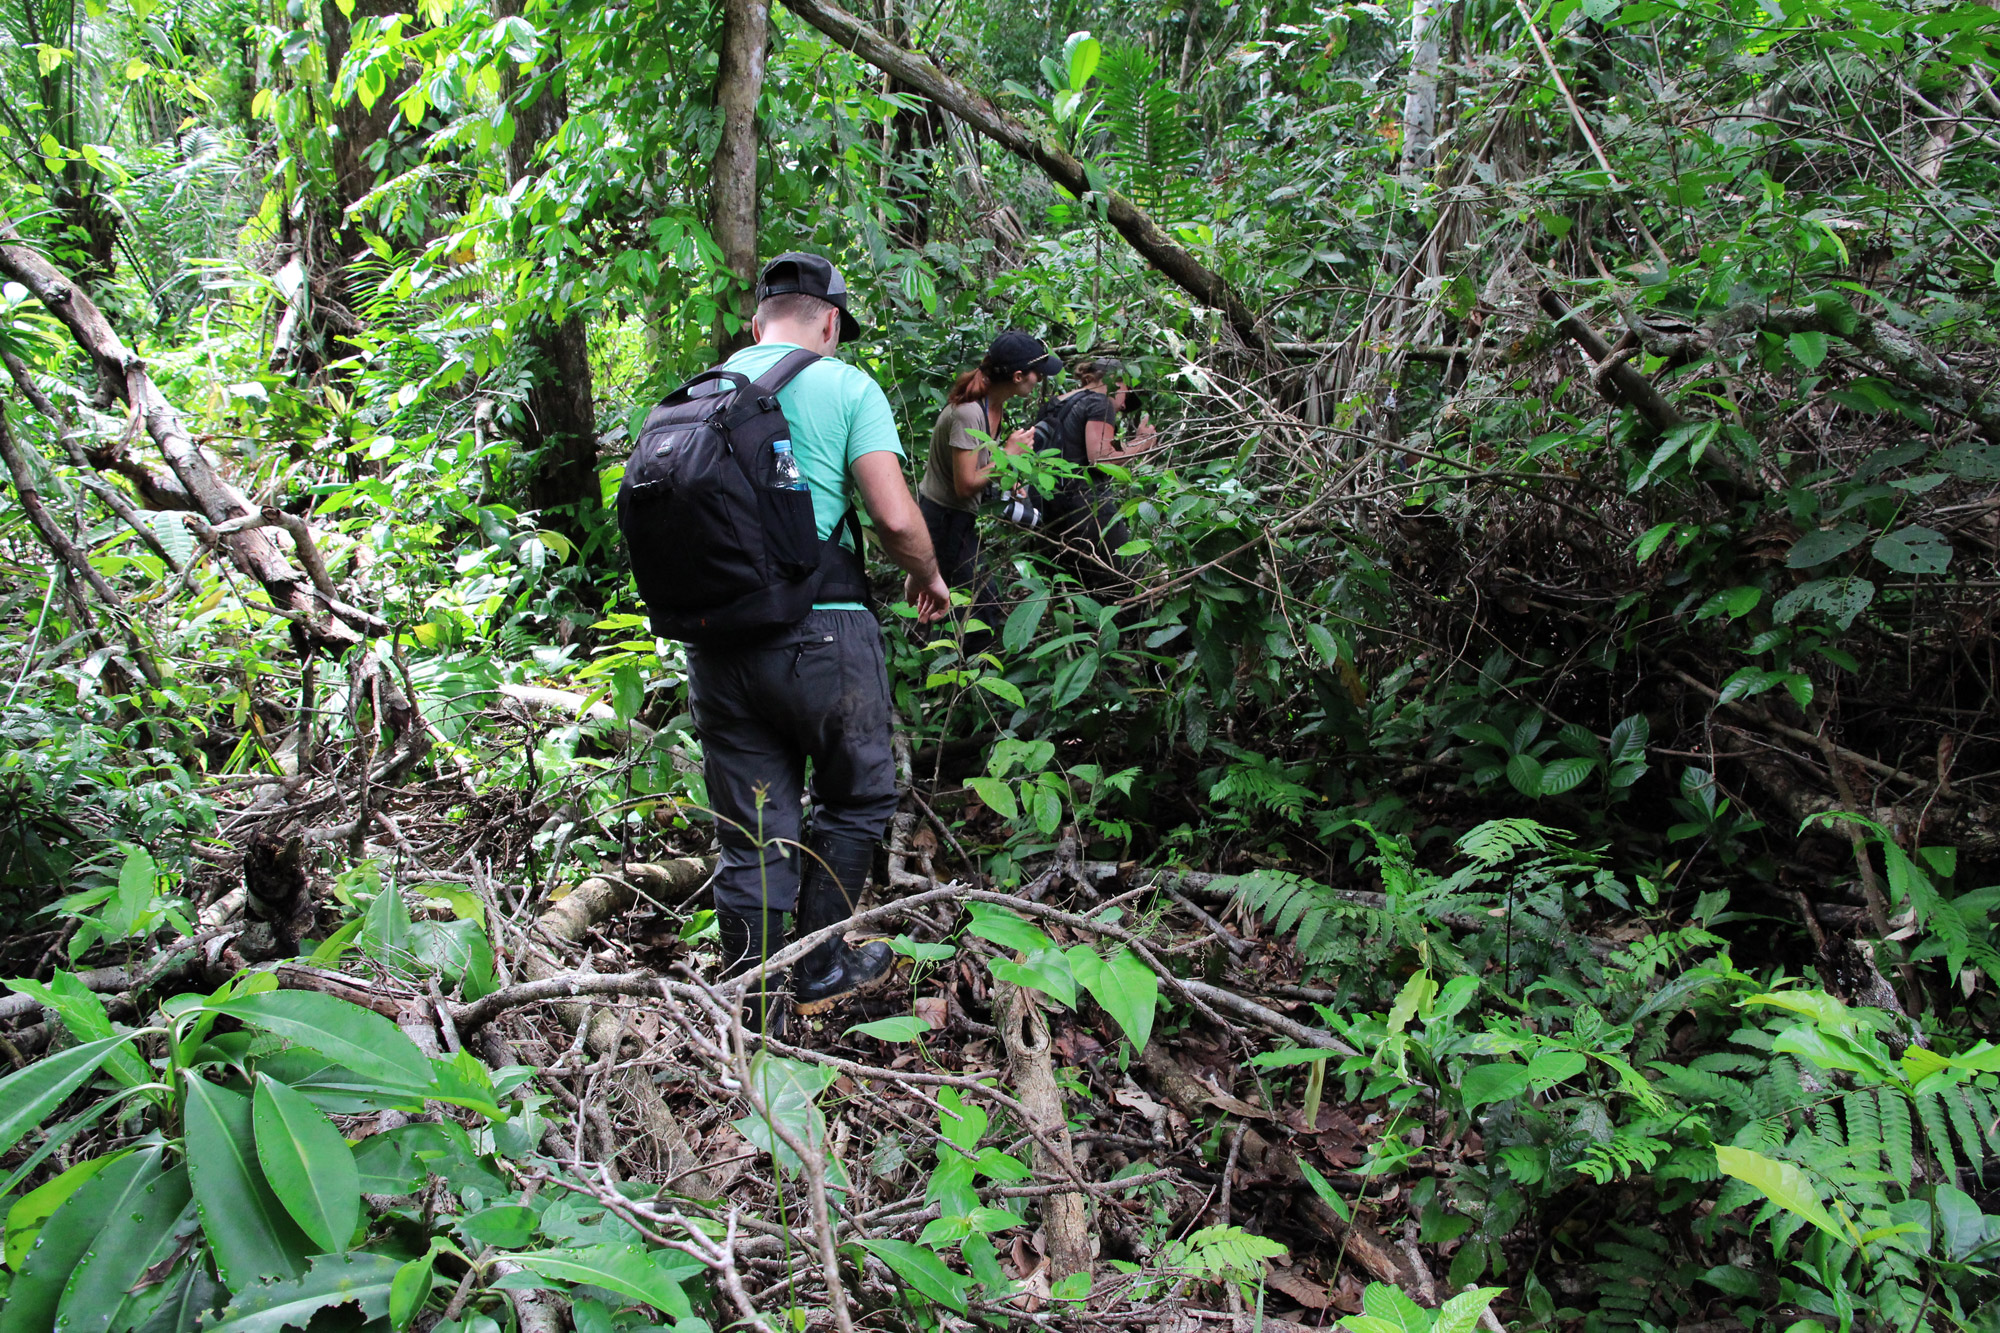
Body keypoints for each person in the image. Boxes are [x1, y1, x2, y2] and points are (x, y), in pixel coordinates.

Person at [689, 251, 951, 1025]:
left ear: (757, 320)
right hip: (824, 633)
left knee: (751, 834)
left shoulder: (704, 391)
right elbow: (897, 519)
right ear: (831, 321)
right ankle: (816, 961)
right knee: (860, 795)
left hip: (717, 645)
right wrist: (929, 572)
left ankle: (749, 1012)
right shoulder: (845, 385)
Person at [916, 331, 1061, 654]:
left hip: (958, 516)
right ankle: (952, 676)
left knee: (949, 595)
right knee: (978, 602)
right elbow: (965, 483)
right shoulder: (970, 411)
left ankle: (932, 662)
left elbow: (983, 465)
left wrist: (1011, 474)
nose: (1040, 380)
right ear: (1018, 376)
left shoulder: (994, 403)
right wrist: (1007, 455)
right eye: (1038, 374)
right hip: (942, 517)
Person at [1032, 355, 1163, 592]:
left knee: (1075, 590)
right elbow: (1101, 459)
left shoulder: (1054, 404)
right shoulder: (1098, 402)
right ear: (1115, 381)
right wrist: (1143, 442)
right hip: (1086, 509)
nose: (1123, 405)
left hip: (1049, 511)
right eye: (1125, 392)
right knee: (1131, 582)